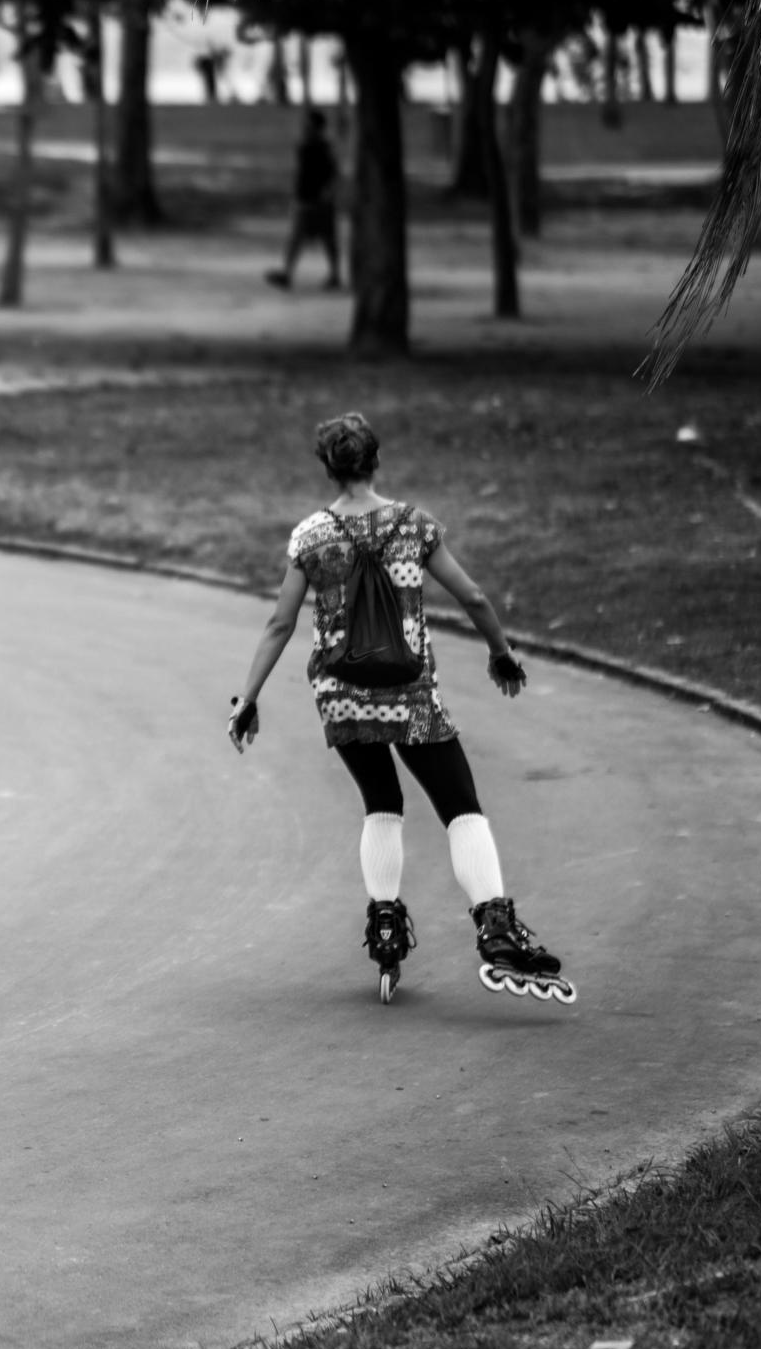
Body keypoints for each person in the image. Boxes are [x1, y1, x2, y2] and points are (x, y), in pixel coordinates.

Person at [225, 413, 565, 1003]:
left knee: (381, 804)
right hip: (411, 697)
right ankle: (497, 927)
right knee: (461, 807)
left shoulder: (310, 536)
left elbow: (280, 622)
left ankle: (385, 924)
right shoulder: (414, 524)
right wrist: (501, 653)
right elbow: (474, 597)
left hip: (341, 697)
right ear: (375, 461)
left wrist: (247, 700)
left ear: (329, 469)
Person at [266, 109, 340, 290]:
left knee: (324, 238)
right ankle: (289, 273)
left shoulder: (322, 148)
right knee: (300, 238)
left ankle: (334, 274)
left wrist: (327, 192)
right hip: (305, 198)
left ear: (315, 127)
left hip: (317, 200)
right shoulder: (305, 146)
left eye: (307, 124)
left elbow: (332, 172)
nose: (303, 128)